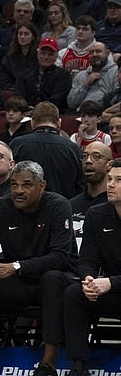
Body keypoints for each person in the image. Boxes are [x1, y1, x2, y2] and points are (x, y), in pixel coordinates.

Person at [0, 161, 78, 376]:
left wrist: (16, 267)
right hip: (16, 281)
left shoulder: (59, 206)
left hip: (51, 282)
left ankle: (48, 364)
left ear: (42, 185)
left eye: (27, 185)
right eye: (14, 185)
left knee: (52, 278)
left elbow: (60, 257)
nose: (18, 191)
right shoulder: (0, 207)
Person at [62, 157, 121, 376]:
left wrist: (110, 283)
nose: (111, 185)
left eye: (119, 180)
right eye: (110, 179)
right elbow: (87, 259)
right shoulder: (97, 215)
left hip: (112, 285)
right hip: (108, 289)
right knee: (75, 293)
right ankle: (78, 365)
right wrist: (88, 279)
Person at [11, 101, 84, 198]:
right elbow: (81, 186)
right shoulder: (73, 149)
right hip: (64, 209)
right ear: (59, 122)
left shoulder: (17, 144)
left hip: (23, 208)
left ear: (32, 122)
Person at [15, 37, 72, 111]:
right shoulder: (24, 75)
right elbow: (19, 98)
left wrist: (37, 110)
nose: (46, 57)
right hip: (26, 113)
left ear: (56, 56)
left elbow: (57, 100)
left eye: (50, 54)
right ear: (37, 54)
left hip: (52, 115)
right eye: (43, 53)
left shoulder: (63, 76)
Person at [67, 42, 118, 111]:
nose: (94, 55)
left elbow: (117, 98)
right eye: (91, 52)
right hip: (81, 115)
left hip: (104, 114)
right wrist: (86, 84)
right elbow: (71, 103)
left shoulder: (116, 72)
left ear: (108, 53)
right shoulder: (81, 76)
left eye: (98, 51)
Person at [69, 141, 110, 218]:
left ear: (109, 164)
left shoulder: (115, 205)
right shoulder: (71, 205)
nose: (88, 160)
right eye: (84, 156)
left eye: (96, 156)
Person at [0, 21, 40, 91]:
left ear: (33, 37)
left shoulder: (38, 55)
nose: (22, 37)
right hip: (12, 90)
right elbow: (3, 75)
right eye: (20, 34)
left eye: (26, 34)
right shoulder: (10, 54)